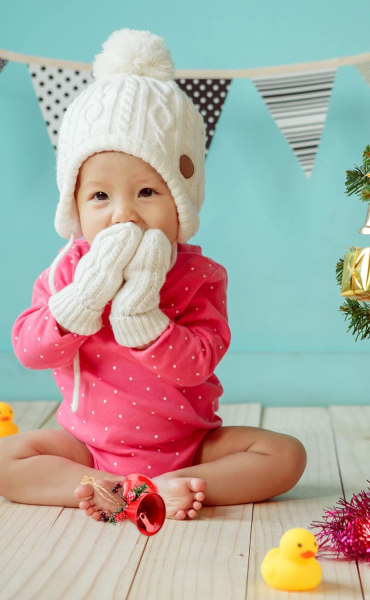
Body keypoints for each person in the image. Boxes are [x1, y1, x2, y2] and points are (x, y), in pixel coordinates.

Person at [0, 29, 306, 522]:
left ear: (180, 200)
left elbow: (198, 364)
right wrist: (83, 299)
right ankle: (115, 489)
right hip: (89, 447)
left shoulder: (199, 275)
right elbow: (30, 351)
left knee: (286, 456)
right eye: (100, 197)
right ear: (75, 206)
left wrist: (144, 318)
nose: (124, 214)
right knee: (6, 461)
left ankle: (173, 485)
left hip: (192, 443)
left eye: (146, 192)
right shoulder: (66, 272)